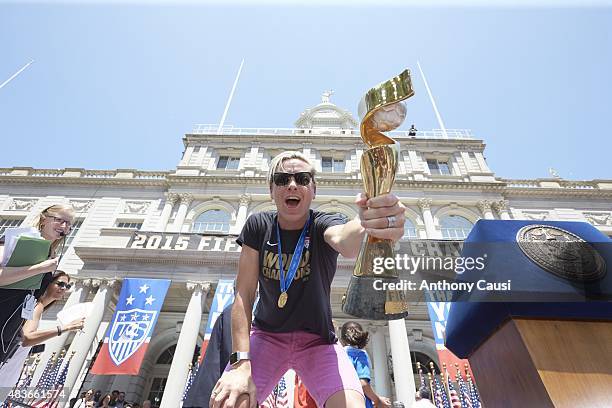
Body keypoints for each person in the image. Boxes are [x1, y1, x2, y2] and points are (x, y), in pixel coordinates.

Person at [210, 151, 405, 408]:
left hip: (319, 342)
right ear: (271, 190)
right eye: (282, 179)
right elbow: (244, 295)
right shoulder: (258, 225)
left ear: (313, 190)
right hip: (267, 337)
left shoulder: (322, 222)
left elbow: (345, 241)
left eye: (302, 178)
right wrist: (240, 363)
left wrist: (368, 222)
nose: (292, 184)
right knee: (230, 400)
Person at [0, 204, 75, 367]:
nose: (64, 227)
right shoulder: (20, 238)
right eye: (59, 220)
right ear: (43, 220)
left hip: (9, 330)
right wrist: (40, 268)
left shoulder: (51, 253)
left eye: (69, 224)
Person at [0, 271, 85, 398]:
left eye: (67, 286)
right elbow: (27, 338)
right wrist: (66, 327)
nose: (63, 288)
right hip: (4, 372)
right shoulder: (37, 305)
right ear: (47, 283)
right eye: (60, 283)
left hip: (7, 373)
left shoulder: (39, 306)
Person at [340, 321, 392, 408]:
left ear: (342, 339)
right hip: (358, 402)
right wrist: (377, 400)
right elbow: (363, 384)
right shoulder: (359, 354)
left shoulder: (338, 355)